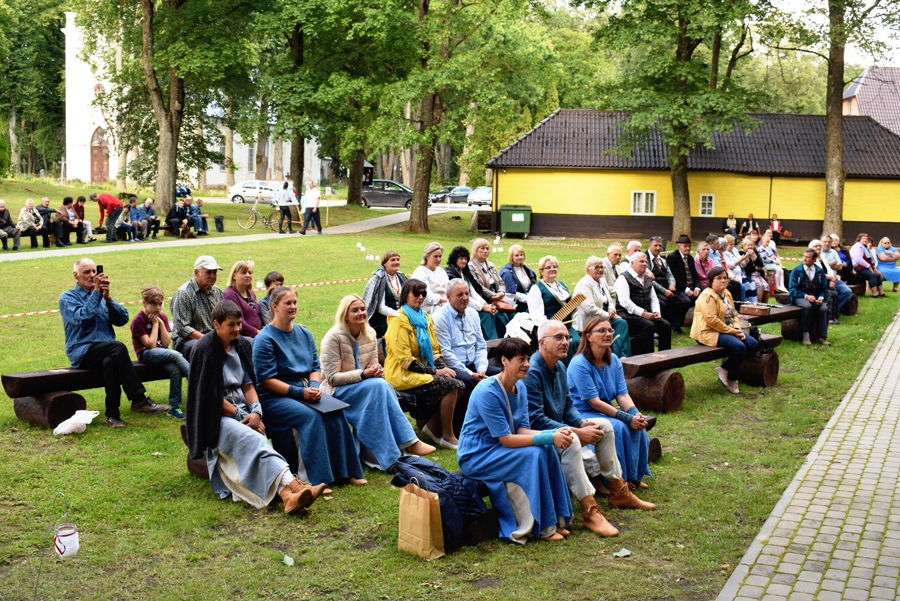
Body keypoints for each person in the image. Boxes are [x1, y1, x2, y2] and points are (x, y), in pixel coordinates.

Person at [186, 299, 324, 514]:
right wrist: (244, 416)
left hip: (246, 411)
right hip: (218, 417)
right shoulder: (204, 349)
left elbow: (249, 385)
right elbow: (210, 397)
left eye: (239, 323)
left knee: (267, 431)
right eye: (231, 325)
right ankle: (295, 485)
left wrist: (256, 412)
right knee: (254, 439)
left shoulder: (241, 344)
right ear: (216, 324)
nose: (237, 329)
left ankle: (288, 495)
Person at [527, 321, 655, 532]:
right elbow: (535, 419)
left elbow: (567, 404)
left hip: (561, 426)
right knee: (573, 439)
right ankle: (590, 511)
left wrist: (582, 422)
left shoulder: (559, 365)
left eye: (566, 337)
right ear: (542, 342)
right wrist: (577, 430)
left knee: (602, 425)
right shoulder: (533, 371)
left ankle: (618, 491)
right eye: (558, 338)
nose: (565, 342)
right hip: (539, 433)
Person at [457, 337, 573, 543]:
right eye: (521, 359)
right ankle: (543, 527)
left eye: (528, 358)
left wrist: (555, 435)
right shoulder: (487, 391)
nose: (527, 364)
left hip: (500, 447)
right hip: (477, 455)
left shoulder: (521, 388)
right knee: (536, 453)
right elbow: (508, 440)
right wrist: (548, 437)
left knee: (546, 449)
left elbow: (522, 429)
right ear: (504, 360)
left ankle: (557, 519)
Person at [253, 287, 366, 486]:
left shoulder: (304, 333)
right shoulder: (265, 339)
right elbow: (266, 380)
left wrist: (314, 386)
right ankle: (315, 479)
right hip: (275, 397)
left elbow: (315, 366)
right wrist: (300, 392)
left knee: (335, 412)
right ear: (274, 307)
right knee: (311, 417)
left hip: (305, 390)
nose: (293, 306)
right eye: (288, 303)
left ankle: (346, 471)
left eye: (295, 302)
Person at [320, 294, 436, 471]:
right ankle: (402, 448)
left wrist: (376, 372)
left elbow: (373, 365)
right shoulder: (333, 337)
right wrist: (364, 375)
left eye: (363, 309)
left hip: (367, 387)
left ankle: (400, 450)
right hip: (336, 390)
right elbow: (332, 378)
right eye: (355, 310)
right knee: (380, 387)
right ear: (345, 315)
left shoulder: (370, 333)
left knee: (382, 386)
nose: (361, 313)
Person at [60, 258, 168, 427]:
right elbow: (82, 318)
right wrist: (96, 293)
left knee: (110, 361)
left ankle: (113, 416)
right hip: (82, 351)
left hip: (107, 352)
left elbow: (122, 318)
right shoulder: (68, 297)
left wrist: (108, 298)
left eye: (94, 271)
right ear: (76, 275)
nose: (92, 275)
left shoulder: (101, 297)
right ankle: (139, 399)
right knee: (117, 347)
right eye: (86, 272)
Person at [567, 317, 655, 490]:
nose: (607, 334)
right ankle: (616, 481)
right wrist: (626, 418)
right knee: (619, 427)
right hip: (583, 413)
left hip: (603, 409)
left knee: (637, 425)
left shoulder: (613, 359)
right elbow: (593, 402)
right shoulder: (579, 363)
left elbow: (622, 394)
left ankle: (633, 477)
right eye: (601, 330)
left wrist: (635, 414)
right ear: (589, 336)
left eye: (609, 331)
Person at [384, 278, 465, 449]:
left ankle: (433, 429)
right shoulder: (398, 320)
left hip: (421, 371)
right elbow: (405, 361)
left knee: (458, 382)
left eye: (423, 293)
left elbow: (435, 351)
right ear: (406, 295)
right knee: (452, 386)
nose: (420, 297)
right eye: (416, 293)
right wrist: (436, 373)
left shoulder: (426, 318)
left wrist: (444, 368)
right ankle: (447, 436)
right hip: (402, 374)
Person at [433, 279, 502, 410]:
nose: (465, 298)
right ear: (448, 297)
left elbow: (481, 345)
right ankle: (464, 424)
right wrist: (471, 374)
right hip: (453, 367)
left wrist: (481, 368)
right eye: (460, 295)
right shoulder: (440, 317)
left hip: (474, 364)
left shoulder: (473, 313)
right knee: (467, 381)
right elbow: (446, 353)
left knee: (502, 374)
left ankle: (496, 416)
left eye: (467, 293)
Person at [690, 267, 758, 394]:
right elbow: (711, 320)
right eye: (719, 278)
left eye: (725, 278)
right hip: (708, 332)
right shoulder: (707, 296)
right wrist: (733, 332)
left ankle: (725, 368)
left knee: (752, 343)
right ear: (711, 280)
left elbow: (734, 315)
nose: (723, 281)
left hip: (727, 330)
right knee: (739, 347)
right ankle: (732, 378)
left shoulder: (727, 293)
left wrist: (737, 328)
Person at [131, 285, 190, 419]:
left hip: (161, 351)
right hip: (146, 354)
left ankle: (174, 406)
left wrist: (162, 324)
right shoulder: (138, 320)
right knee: (175, 354)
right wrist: (155, 325)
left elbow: (166, 343)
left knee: (176, 369)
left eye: (160, 304)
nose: (158, 308)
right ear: (145, 303)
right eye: (154, 304)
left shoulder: (161, 317)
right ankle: (195, 378)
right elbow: (150, 345)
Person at [614, 252, 672, 356]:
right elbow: (625, 302)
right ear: (632, 263)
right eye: (641, 261)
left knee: (665, 325)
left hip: (646, 314)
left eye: (645, 262)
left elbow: (653, 298)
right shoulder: (623, 278)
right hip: (627, 314)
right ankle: (647, 359)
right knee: (649, 326)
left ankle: (665, 358)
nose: (644, 264)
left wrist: (656, 312)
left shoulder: (647, 278)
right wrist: (643, 314)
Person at [573, 256, 631, 358]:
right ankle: (616, 357)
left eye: (602, 267)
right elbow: (590, 309)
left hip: (604, 316)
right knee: (615, 325)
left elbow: (611, 297)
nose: (600, 270)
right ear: (588, 270)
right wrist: (608, 315)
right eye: (597, 267)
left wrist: (611, 308)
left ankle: (624, 356)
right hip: (590, 321)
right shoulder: (584, 284)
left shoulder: (602, 281)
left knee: (622, 323)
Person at [171, 256, 226, 360]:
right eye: (208, 272)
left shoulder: (217, 292)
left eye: (215, 273)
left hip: (212, 337)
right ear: (196, 272)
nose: (213, 276)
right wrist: (207, 339)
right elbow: (182, 328)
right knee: (205, 348)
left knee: (244, 343)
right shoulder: (184, 293)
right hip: (186, 341)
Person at [527, 255, 580, 361]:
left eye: (555, 267)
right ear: (541, 271)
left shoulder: (562, 284)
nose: (552, 269)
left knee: (579, 342)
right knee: (570, 343)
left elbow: (569, 306)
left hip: (568, 327)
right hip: (551, 330)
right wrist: (552, 328)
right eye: (548, 267)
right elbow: (537, 316)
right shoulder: (536, 288)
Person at [467, 238, 512, 340]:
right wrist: (491, 295)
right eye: (482, 248)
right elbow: (478, 286)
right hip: (483, 300)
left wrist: (501, 292)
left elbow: (500, 282)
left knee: (509, 312)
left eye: (487, 248)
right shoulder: (470, 267)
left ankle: (510, 340)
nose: (486, 251)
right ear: (475, 250)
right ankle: (494, 343)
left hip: (497, 298)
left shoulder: (490, 265)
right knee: (494, 315)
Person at [647, 236, 690, 333]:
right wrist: (664, 291)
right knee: (664, 303)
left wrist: (671, 284)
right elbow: (649, 280)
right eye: (655, 245)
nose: (658, 248)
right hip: (653, 290)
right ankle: (660, 328)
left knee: (682, 302)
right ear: (649, 245)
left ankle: (672, 325)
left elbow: (669, 274)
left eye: (660, 246)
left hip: (666, 288)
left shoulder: (662, 259)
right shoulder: (645, 258)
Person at [789, 249, 831, 345]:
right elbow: (792, 289)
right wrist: (806, 296)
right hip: (800, 297)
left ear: (814, 259)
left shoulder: (820, 272)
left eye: (807, 257)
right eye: (804, 256)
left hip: (815, 297)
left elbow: (824, 289)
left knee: (824, 308)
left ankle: (822, 337)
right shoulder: (796, 271)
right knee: (807, 306)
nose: (804, 259)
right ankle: (806, 335)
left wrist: (821, 298)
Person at [363, 250, 408, 338]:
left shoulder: (401, 277)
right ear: (385, 263)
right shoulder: (379, 279)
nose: (396, 262)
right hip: (384, 322)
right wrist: (398, 315)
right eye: (393, 260)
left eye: (398, 259)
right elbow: (380, 307)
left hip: (402, 319)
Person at [809, 239, 851, 324]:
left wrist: (832, 280)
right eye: (815, 246)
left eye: (819, 246)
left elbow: (829, 270)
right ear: (811, 248)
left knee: (835, 293)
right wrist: (831, 278)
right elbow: (816, 274)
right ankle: (828, 317)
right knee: (830, 294)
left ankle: (834, 315)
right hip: (816, 283)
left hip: (826, 281)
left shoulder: (822, 257)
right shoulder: (810, 259)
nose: (818, 247)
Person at [666, 234, 702, 326]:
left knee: (706, 296)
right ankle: (677, 324)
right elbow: (675, 278)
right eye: (685, 246)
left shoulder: (690, 258)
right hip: (679, 288)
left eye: (689, 246)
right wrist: (687, 290)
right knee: (686, 301)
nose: (688, 248)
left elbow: (695, 276)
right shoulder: (672, 257)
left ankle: (700, 323)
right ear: (679, 246)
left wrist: (697, 288)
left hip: (691, 288)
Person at [222, 261, 264, 338]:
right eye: (244, 273)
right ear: (234, 276)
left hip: (258, 334)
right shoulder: (229, 294)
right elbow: (239, 322)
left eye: (250, 273)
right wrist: (259, 333)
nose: (248, 275)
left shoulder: (251, 293)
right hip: (242, 337)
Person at [411, 242, 449, 314]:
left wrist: (448, 302)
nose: (438, 259)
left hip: (444, 303)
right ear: (427, 256)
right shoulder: (421, 272)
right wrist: (443, 301)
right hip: (427, 307)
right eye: (435, 256)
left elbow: (449, 290)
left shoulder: (442, 271)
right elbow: (426, 296)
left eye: (440, 256)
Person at [499, 244, 537, 312]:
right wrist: (528, 299)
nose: (520, 257)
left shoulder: (528, 270)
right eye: (516, 255)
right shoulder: (507, 273)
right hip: (516, 305)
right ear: (511, 257)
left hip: (531, 301)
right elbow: (510, 293)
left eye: (521, 255)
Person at [850, 233, 885, 298]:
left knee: (878, 275)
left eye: (866, 239)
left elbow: (870, 259)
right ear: (859, 239)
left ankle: (882, 293)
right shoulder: (857, 247)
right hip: (858, 268)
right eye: (863, 239)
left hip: (866, 267)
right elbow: (858, 259)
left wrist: (874, 268)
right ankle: (874, 294)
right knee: (872, 275)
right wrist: (868, 266)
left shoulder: (866, 247)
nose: (865, 240)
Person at [723, 234, 751, 302]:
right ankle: (741, 303)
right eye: (731, 244)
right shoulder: (724, 252)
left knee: (751, 284)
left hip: (740, 273)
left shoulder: (735, 250)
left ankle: (746, 303)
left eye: (733, 244)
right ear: (726, 244)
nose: (732, 246)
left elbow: (742, 264)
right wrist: (741, 260)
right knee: (741, 286)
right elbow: (729, 265)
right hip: (732, 274)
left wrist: (746, 261)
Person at [741, 238, 768, 303]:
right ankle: (759, 303)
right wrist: (754, 268)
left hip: (758, 274)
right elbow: (745, 268)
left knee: (766, 286)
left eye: (751, 245)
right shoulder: (742, 253)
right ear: (744, 246)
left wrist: (754, 256)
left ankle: (765, 304)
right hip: (749, 274)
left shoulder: (754, 252)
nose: (750, 247)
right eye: (748, 245)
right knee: (760, 285)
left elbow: (761, 264)